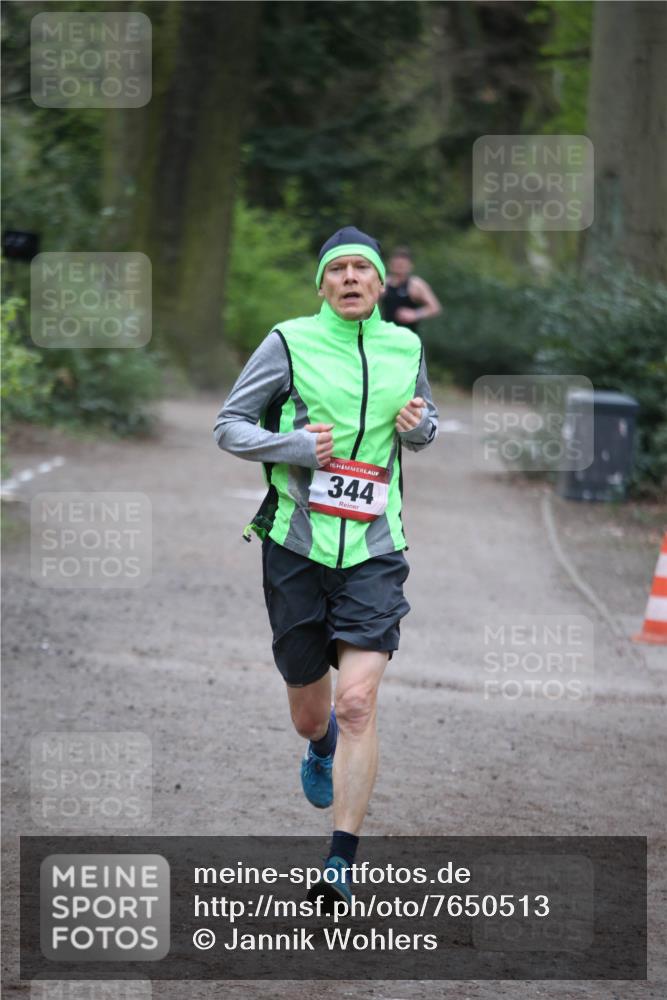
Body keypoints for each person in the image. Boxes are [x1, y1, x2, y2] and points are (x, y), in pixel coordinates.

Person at [214, 226, 438, 910]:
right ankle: (318, 747)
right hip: (297, 546)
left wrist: (418, 428)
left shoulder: (406, 345)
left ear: (379, 285)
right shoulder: (288, 341)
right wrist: (292, 446)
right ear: (321, 285)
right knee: (313, 714)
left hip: (374, 546)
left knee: (358, 701)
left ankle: (339, 861)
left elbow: (426, 424)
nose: (348, 278)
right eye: (336, 269)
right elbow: (229, 425)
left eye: (360, 270)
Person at [380, 246, 442, 332]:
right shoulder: (383, 283)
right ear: (390, 265)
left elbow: (435, 308)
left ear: (410, 266)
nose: (399, 268)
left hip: (410, 337)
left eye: (402, 265)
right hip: (387, 335)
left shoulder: (416, 285)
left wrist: (415, 314)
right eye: (397, 265)